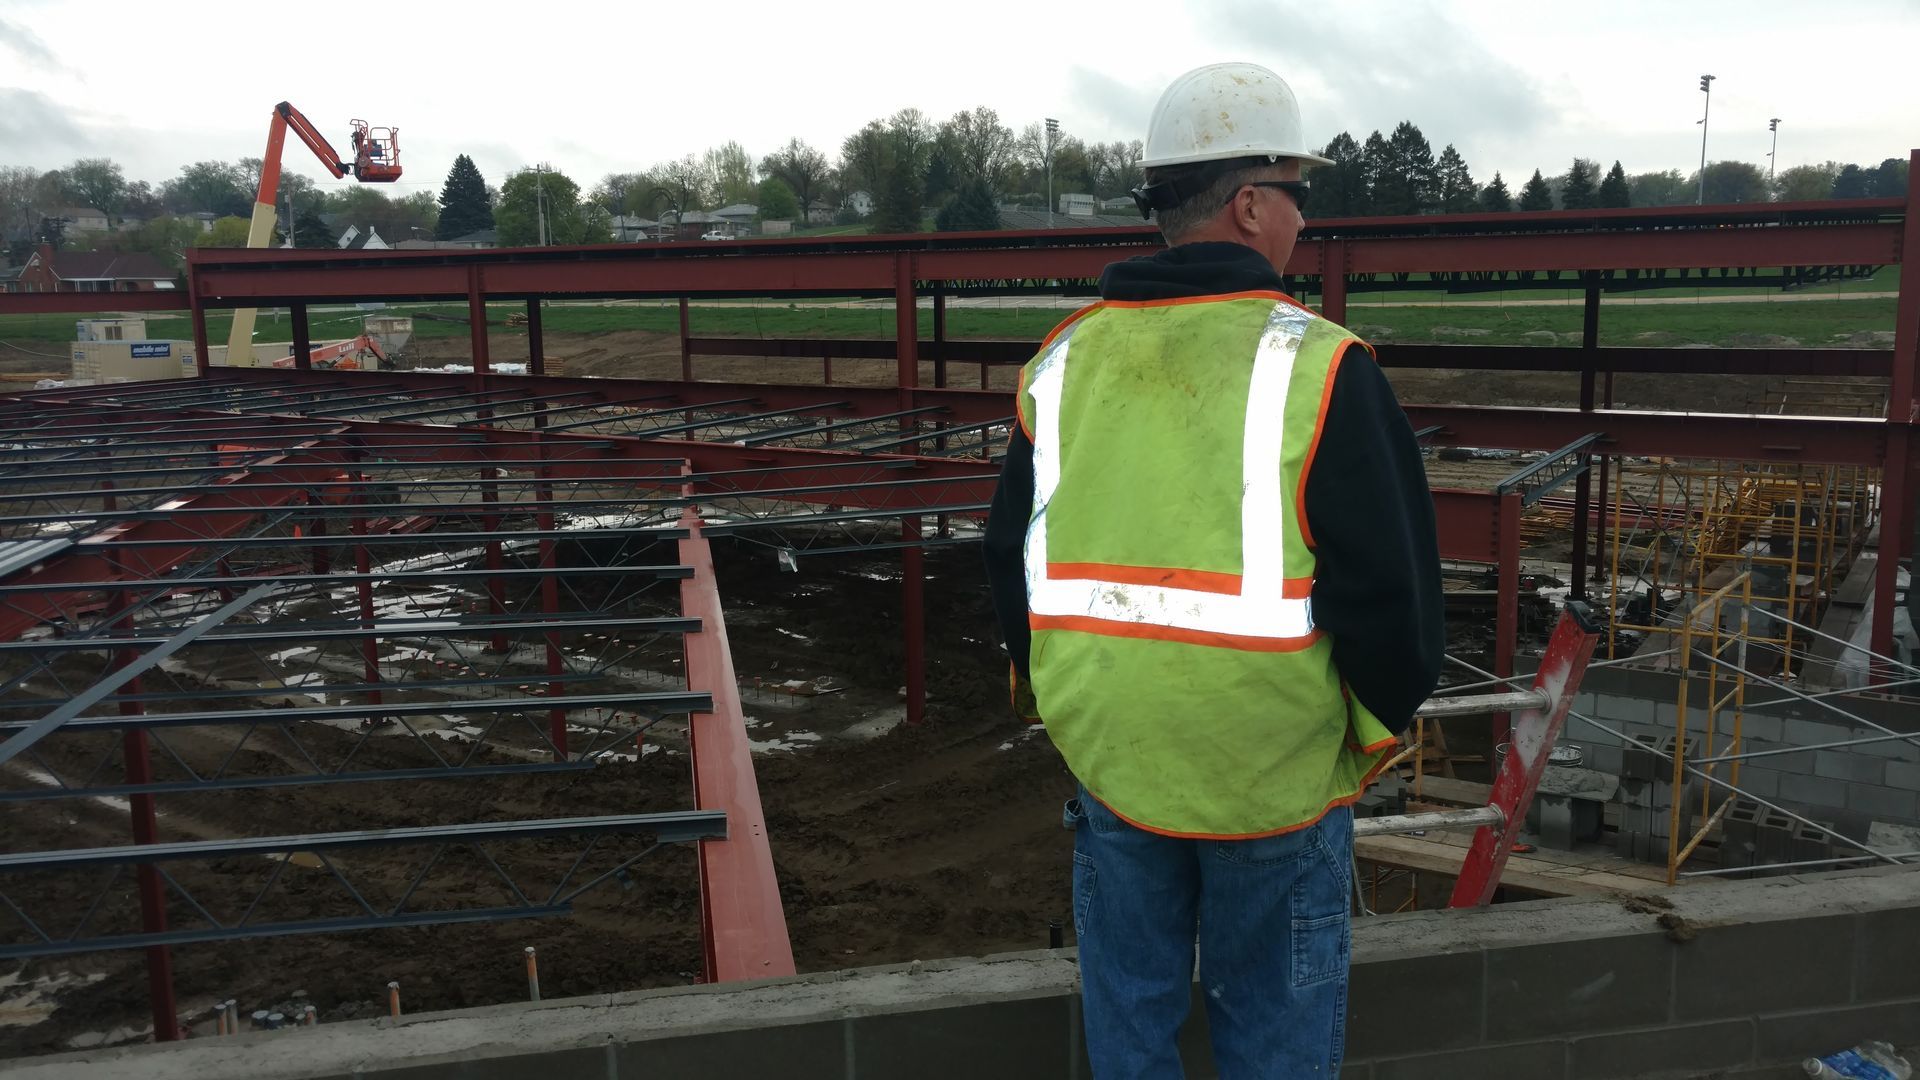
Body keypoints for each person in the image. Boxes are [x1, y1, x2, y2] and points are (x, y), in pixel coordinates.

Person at [982, 62, 1444, 1078]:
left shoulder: (1061, 365)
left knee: (1132, 1035)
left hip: (1117, 766)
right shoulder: (1322, 367)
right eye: (1297, 197)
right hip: (1274, 782)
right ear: (1248, 205)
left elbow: (1008, 567)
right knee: (1273, 1042)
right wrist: (1354, 742)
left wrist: (1075, 712)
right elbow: (1396, 605)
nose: (1301, 222)